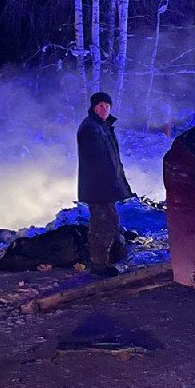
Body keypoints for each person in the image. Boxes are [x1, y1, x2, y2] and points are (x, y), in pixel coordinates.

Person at [77, 91, 134, 278]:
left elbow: (114, 161)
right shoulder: (90, 128)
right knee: (104, 224)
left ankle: (104, 260)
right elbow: (100, 162)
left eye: (108, 106)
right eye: (101, 106)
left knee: (106, 223)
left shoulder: (104, 126)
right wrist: (111, 185)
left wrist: (122, 185)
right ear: (94, 107)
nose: (105, 109)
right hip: (98, 188)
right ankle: (99, 265)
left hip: (104, 186)